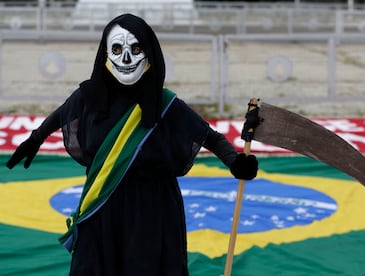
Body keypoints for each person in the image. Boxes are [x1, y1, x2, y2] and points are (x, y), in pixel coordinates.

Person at [6, 14, 258, 275]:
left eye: (135, 49)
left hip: (152, 210)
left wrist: (235, 161)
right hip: (102, 204)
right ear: (105, 53)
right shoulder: (90, 96)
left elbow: (209, 136)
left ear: (148, 52)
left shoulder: (165, 103)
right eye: (117, 49)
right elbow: (63, 114)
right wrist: (35, 138)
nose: (126, 59)